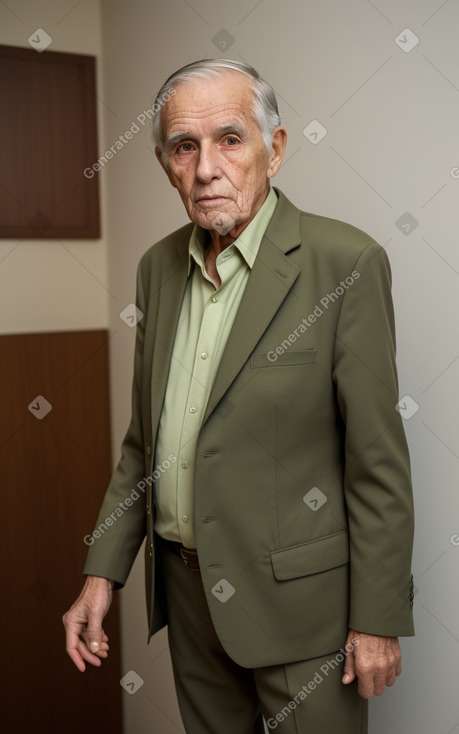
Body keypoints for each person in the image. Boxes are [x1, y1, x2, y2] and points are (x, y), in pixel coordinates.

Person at [63, 58, 415, 733]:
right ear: (166, 163)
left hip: (303, 612)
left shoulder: (345, 262)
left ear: (273, 149)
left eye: (229, 139)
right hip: (189, 601)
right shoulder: (156, 269)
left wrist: (376, 619)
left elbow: (377, 465)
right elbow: (144, 447)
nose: (204, 169)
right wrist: (100, 576)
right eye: (183, 147)